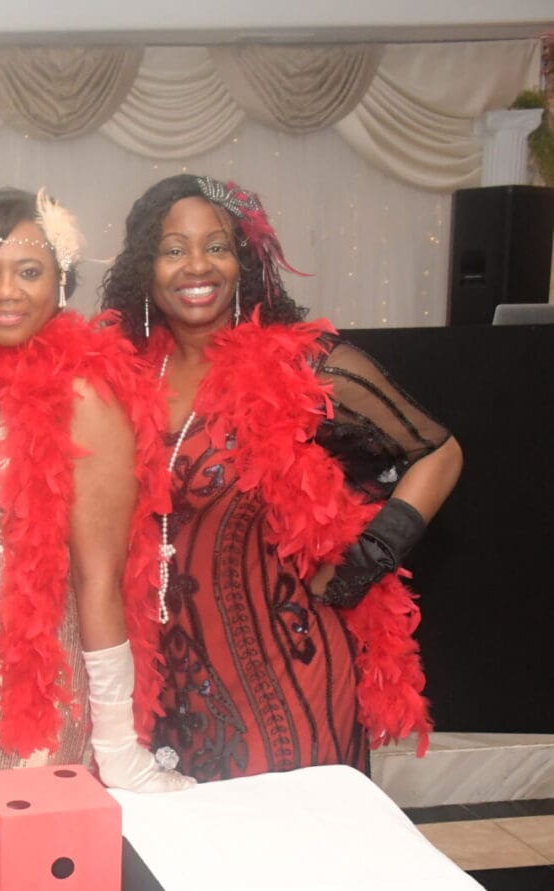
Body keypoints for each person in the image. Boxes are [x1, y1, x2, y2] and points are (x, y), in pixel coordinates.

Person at [98, 175, 461, 781]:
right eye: (173, 249)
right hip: (165, 688)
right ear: (144, 266)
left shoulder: (304, 364)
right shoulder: (123, 375)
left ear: (244, 262)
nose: (197, 266)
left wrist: (363, 562)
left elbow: (439, 452)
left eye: (217, 247)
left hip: (284, 677)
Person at [0, 188, 193, 792]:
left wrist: (117, 746)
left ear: (61, 279)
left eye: (29, 272)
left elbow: (101, 579)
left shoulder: (84, 396)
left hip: (34, 704)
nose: (6, 291)